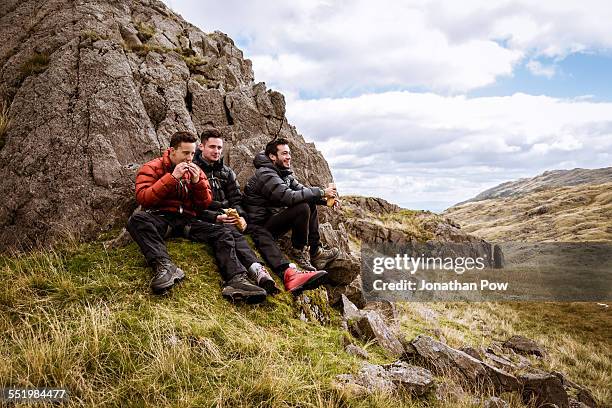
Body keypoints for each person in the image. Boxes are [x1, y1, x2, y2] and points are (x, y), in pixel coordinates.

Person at [126, 131, 267, 303]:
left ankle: (237, 279)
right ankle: (165, 266)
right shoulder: (151, 167)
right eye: (185, 153)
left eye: (192, 153)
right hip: (161, 218)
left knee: (223, 233)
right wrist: (172, 178)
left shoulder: (197, 171)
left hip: (188, 221)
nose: (189, 158)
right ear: (172, 151)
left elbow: (203, 204)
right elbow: (144, 198)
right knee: (137, 220)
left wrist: (196, 183)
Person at [243, 137, 340, 293]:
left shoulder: (283, 173)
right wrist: (321, 191)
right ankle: (298, 251)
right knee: (302, 207)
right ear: (272, 156)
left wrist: (326, 200)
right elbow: (288, 197)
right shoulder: (266, 174)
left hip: (273, 220)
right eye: (285, 153)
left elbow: (302, 191)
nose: (289, 157)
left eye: (289, 153)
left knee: (308, 202)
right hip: (260, 225)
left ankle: (316, 252)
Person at [193, 128, 279, 294]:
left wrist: (242, 216)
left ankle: (261, 270)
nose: (216, 151)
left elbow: (236, 199)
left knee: (256, 230)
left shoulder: (227, 172)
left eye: (219, 148)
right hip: (207, 217)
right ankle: (252, 271)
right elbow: (193, 204)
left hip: (228, 215)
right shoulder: (194, 170)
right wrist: (218, 216)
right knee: (231, 233)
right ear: (201, 147)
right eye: (212, 147)